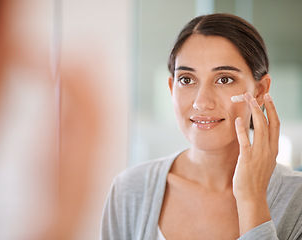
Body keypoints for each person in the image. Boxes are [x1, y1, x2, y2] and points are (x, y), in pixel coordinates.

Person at [101, 13, 302, 240]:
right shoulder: (129, 191)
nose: (201, 102)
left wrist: (252, 201)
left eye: (224, 79)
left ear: (260, 90)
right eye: (186, 79)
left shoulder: (297, 201)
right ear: (171, 88)